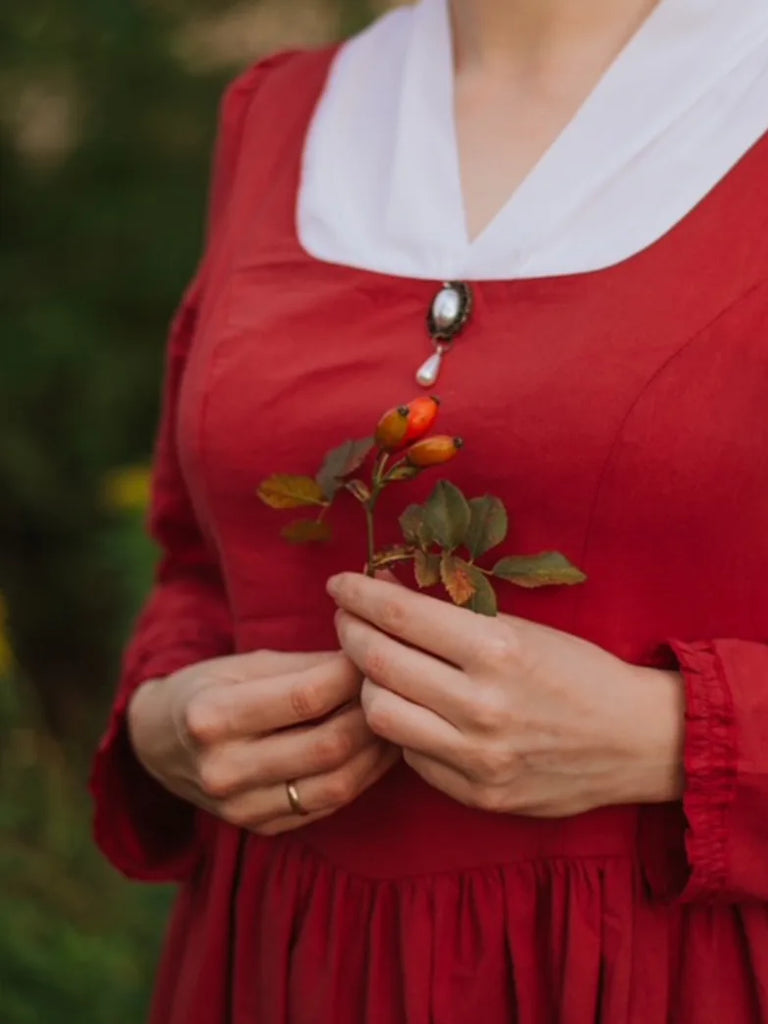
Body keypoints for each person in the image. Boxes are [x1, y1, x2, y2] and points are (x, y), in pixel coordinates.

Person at [90, 0, 768, 1020]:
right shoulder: (281, 110)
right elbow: (199, 561)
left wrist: (678, 737)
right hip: (287, 965)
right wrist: (163, 717)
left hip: (673, 971)